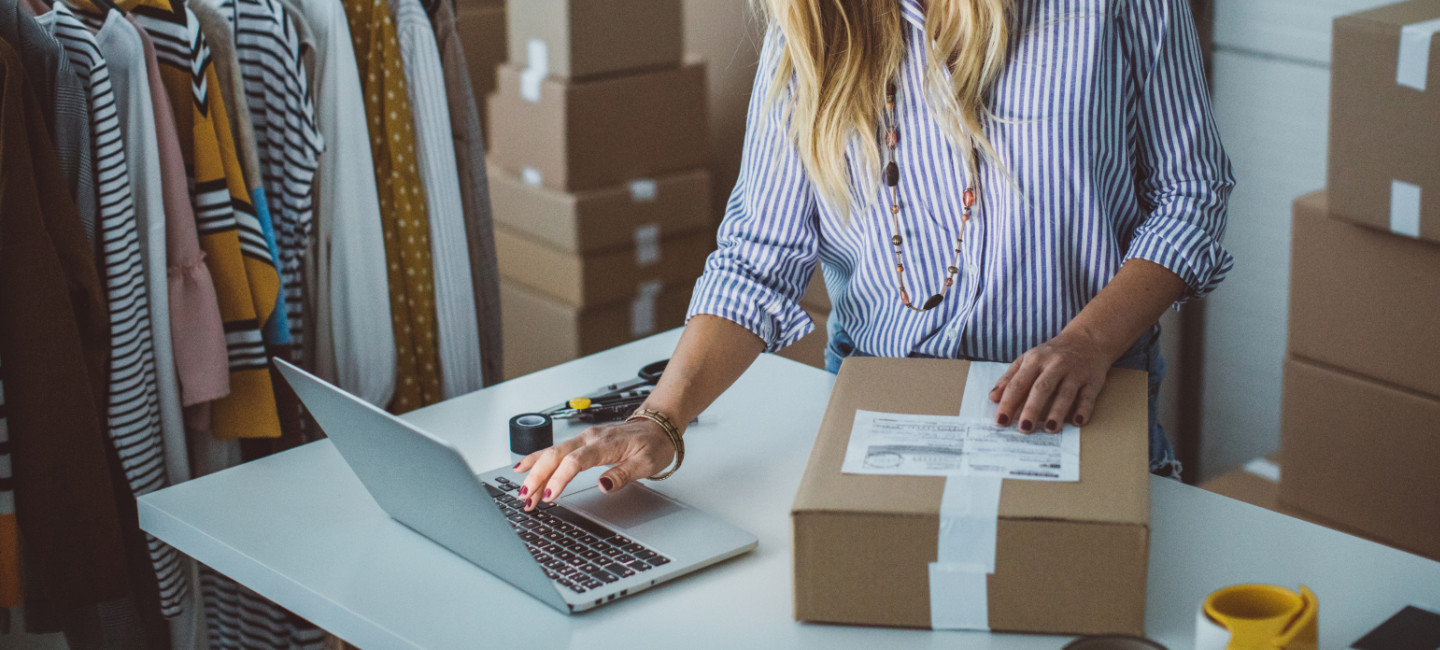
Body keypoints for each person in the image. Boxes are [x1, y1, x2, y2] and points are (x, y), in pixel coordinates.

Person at [514, 0, 1233, 507]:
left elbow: (1192, 193)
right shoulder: (809, 27)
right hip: (884, 420)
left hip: (1080, 414)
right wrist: (658, 422)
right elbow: (757, 259)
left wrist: (1087, 341)